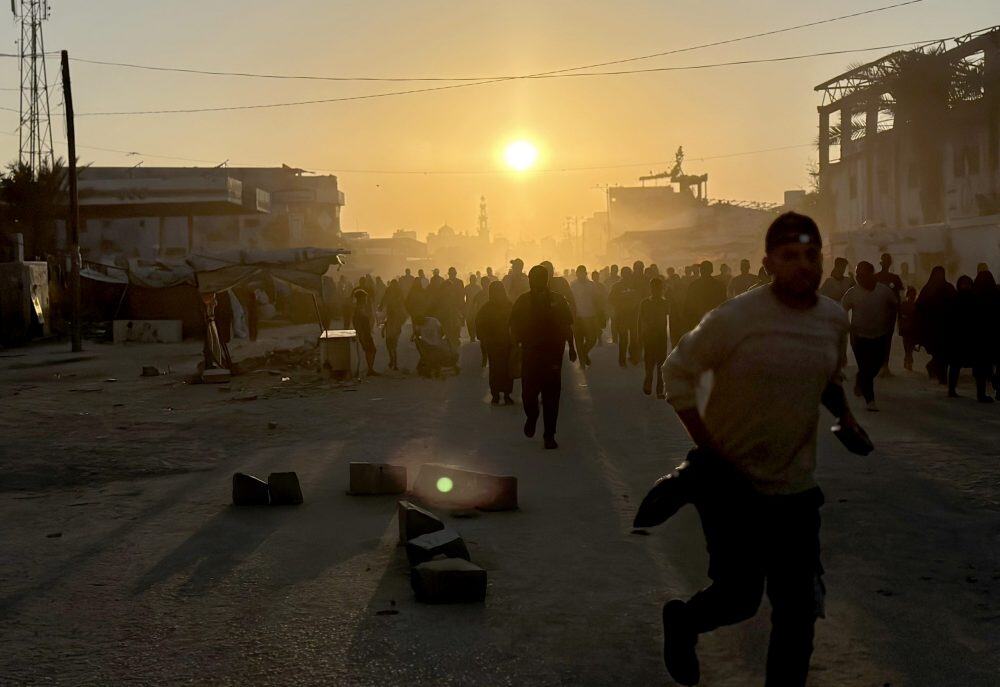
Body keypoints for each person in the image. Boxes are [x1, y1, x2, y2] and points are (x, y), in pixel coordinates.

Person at [662, 212, 863, 687]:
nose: (803, 265)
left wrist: (846, 417)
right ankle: (684, 621)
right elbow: (677, 374)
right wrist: (710, 451)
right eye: (790, 256)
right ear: (768, 262)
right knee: (739, 598)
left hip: (796, 492)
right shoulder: (736, 318)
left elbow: (827, 377)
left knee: (797, 612)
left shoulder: (832, 320)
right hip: (735, 490)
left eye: (811, 255)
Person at [509, 265, 576, 449]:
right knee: (528, 394)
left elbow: (567, 325)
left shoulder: (558, 300)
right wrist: (515, 346)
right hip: (530, 354)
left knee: (551, 396)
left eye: (541, 278)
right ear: (530, 280)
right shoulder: (523, 301)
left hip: (553, 355)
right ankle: (532, 416)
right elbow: (513, 325)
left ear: (546, 280)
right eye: (534, 278)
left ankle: (549, 435)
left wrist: (572, 347)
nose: (537, 282)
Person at [841, 261, 898, 411]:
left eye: (863, 274)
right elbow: (842, 310)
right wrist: (845, 327)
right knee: (865, 367)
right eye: (858, 275)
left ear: (871, 274)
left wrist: (890, 323)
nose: (859, 277)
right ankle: (870, 400)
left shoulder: (883, 291)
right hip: (859, 337)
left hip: (880, 335)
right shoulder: (852, 293)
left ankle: (861, 378)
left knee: (875, 366)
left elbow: (894, 305)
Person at [476, 281, 515, 405]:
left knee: (503, 369)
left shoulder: (504, 306)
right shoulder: (489, 308)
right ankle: (498, 394)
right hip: (496, 343)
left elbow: (516, 322)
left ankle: (503, 394)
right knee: (498, 369)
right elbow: (479, 324)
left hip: (504, 343)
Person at [916, 266, 955, 385]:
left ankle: (939, 374)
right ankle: (941, 376)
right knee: (941, 353)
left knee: (942, 353)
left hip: (940, 326)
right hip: (935, 327)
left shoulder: (931, 288)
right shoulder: (944, 288)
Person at [638, 277, 670, 398]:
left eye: (658, 288)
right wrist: (639, 336)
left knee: (660, 363)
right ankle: (649, 382)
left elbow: (671, 319)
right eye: (654, 288)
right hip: (650, 337)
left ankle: (659, 388)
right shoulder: (645, 303)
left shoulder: (665, 303)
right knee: (650, 362)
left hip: (660, 336)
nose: (656, 290)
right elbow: (640, 321)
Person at [973, 270, 1000, 400]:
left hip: (978, 337)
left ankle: (981, 393)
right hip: (993, 335)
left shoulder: (973, 296)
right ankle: (998, 389)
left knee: (981, 366)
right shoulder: (995, 295)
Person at [609, 266, 641, 366]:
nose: (627, 276)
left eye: (628, 273)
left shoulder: (636, 285)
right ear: (622, 274)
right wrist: (622, 301)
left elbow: (640, 298)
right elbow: (611, 299)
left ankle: (634, 358)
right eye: (625, 274)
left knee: (634, 339)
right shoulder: (616, 286)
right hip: (622, 316)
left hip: (634, 316)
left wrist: (634, 303)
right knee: (624, 339)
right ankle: (622, 360)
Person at [570, 265, 601, 367]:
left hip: (590, 316)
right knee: (579, 341)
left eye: (582, 273)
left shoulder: (591, 285)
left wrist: (599, 313)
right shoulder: (573, 285)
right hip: (577, 317)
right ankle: (582, 364)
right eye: (579, 273)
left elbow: (597, 299)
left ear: (586, 273)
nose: (580, 275)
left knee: (592, 339)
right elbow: (570, 300)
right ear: (576, 274)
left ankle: (583, 353)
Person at [683, 261, 726, 334]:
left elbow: (687, 306)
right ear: (711, 270)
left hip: (698, 322)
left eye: (703, 269)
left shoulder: (694, 285)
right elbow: (724, 304)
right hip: (714, 321)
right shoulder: (719, 285)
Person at [379, 280, 407, 371]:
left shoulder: (395, 291)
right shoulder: (395, 291)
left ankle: (393, 362)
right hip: (393, 317)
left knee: (391, 345)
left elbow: (385, 298)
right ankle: (393, 362)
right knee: (392, 345)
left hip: (394, 318)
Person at [352, 288, 378, 376]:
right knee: (371, 350)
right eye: (365, 298)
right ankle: (370, 369)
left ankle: (370, 369)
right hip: (364, 333)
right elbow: (357, 323)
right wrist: (360, 335)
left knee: (370, 350)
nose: (366, 299)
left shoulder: (360, 308)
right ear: (362, 298)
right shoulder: (358, 310)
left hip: (366, 332)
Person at [898, 286, 919, 372]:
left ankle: (908, 360)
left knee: (908, 347)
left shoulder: (906, 304)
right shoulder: (915, 305)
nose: (912, 296)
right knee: (908, 347)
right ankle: (908, 360)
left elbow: (900, 318)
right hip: (909, 329)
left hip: (909, 329)